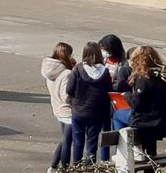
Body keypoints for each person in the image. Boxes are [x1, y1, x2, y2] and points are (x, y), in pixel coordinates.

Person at [126, 46, 166, 159]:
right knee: (149, 137)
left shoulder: (143, 78)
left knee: (117, 116)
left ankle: (134, 145)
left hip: (148, 123)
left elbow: (136, 104)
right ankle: (143, 150)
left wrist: (127, 96)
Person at [64, 41, 114, 165]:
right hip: (96, 112)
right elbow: (109, 91)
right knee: (92, 141)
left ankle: (77, 165)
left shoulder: (78, 69)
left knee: (78, 142)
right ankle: (89, 167)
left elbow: (69, 89)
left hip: (79, 110)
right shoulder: (105, 72)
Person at [41, 43, 78, 173]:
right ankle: (64, 168)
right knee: (67, 141)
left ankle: (54, 167)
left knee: (65, 140)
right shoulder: (66, 73)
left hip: (57, 109)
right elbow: (66, 95)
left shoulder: (50, 69)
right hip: (67, 111)